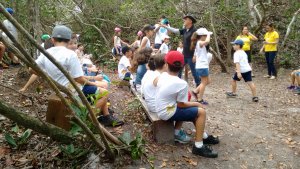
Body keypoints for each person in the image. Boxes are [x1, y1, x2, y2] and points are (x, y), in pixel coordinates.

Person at [32, 25, 123, 127]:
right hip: (72, 89)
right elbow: (79, 79)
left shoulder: (45, 53)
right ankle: (89, 118)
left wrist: (49, 74)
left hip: (59, 88)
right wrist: (93, 83)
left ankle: (105, 116)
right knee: (104, 92)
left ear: (53, 40)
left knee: (98, 88)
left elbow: (32, 69)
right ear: (68, 40)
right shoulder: (70, 54)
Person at [154, 51, 218, 158]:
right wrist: (197, 104)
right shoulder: (181, 83)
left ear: (166, 64)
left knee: (193, 111)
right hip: (167, 111)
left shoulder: (162, 76)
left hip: (161, 107)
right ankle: (198, 146)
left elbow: (155, 83)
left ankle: (204, 136)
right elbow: (181, 105)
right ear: (183, 65)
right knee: (201, 112)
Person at [162, 14, 200, 86]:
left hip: (191, 56)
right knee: (178, 70)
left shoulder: (194, 31)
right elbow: (176, 31)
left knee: (194, 72)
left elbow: (197, 43)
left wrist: (195, 55)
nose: (184, 20)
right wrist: (165, 27)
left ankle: (199, 87)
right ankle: (177, 84)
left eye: (186, 19)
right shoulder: (185, 30)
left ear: (190, 21)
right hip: (184, 54)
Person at [190, 28, 212, 105]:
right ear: (202, 36)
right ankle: (199, 99)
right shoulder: (200, 42)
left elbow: (196, 54)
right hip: (202, 65)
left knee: (208, 81)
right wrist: (208, 34)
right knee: (203, 82)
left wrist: (194, 57)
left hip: (202, 65)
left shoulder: (198, 43)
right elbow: (207, 41)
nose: (207, 37)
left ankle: (195, 91)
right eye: (205, 35)